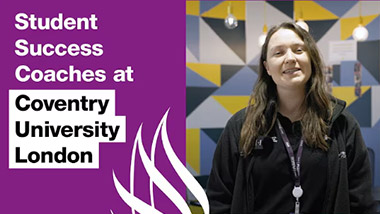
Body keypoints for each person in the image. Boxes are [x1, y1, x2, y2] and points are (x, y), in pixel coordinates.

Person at [206, 22, 375, 214]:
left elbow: (361, 202)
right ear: (267, 67)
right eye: (278, 53)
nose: (290, 58)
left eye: (299, 50)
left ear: (310, 59)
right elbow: (219, 199)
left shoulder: (342, 123)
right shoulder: (241, 126)